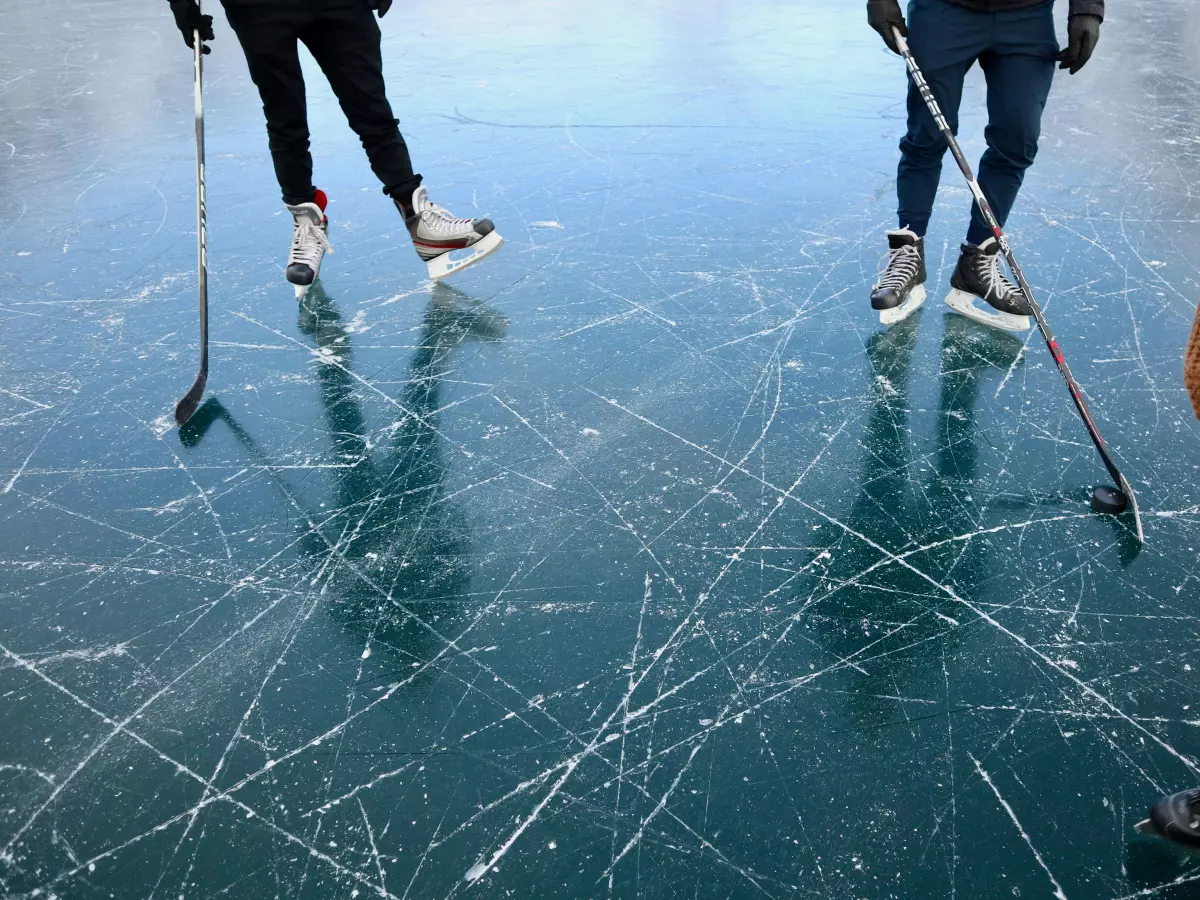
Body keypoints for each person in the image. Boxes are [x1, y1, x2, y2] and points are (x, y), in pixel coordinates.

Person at [166, 0, 502, 294]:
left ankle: (421, 223)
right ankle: (307, 221)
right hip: (258, 6)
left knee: (371, 108)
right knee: (285, 117)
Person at [866, 0, 1103, 330]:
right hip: (942, 11)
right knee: (928, 135)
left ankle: (977, 263)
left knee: (1017, 138)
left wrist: (1087, 9)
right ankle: (909, 250)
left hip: (1027, 17)